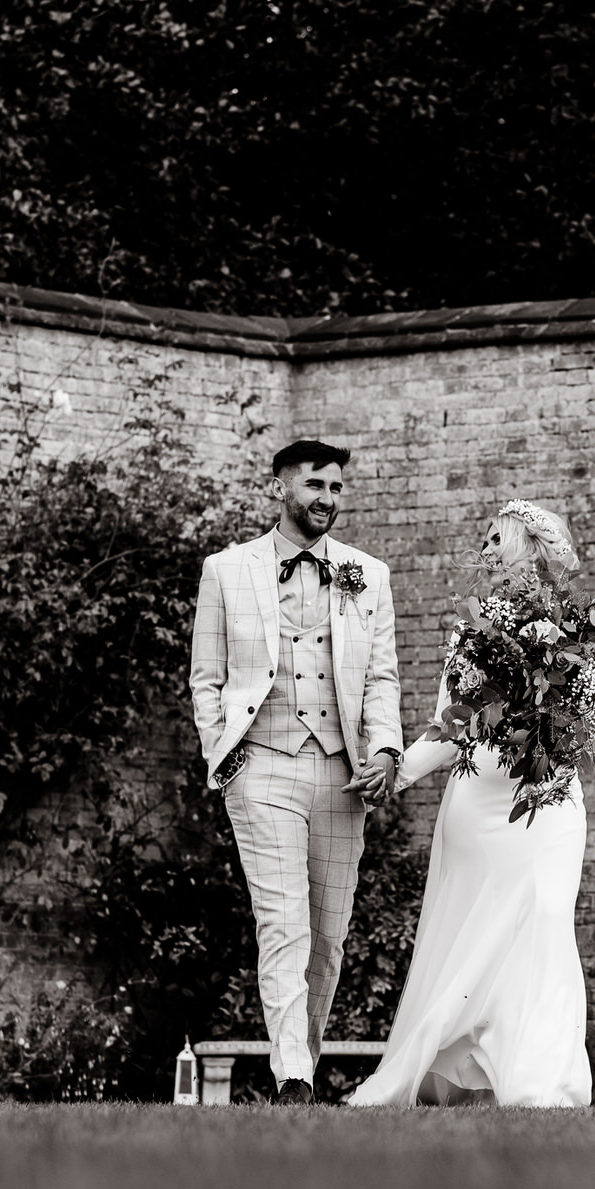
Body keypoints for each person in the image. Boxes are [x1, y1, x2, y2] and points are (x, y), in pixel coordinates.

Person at [348, 501, 594, 1108]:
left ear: (528, 549)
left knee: (544, 921)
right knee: (474, 938)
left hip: (548, 799)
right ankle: (453, 1072)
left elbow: (586, 716)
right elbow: (449, 725)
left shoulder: (574, 629)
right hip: (478, 802)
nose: (484, 550)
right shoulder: (472, 631)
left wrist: (558, 726)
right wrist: (394, 775)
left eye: (495, 540)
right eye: (482, 541)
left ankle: (539, 1081)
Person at [190, 438, 403, 1105]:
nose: (326, 499)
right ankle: (293, 1077)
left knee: (329, 937)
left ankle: (300, 1064)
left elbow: (381, 677)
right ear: (281, 486)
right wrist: (223, 753)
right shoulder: (226, 571)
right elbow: (207, 678)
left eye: (337, 487)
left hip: (342, 778)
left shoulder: (368, 574)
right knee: (283, 924)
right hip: (263, 769)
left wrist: (387, 750)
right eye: (315, 485)